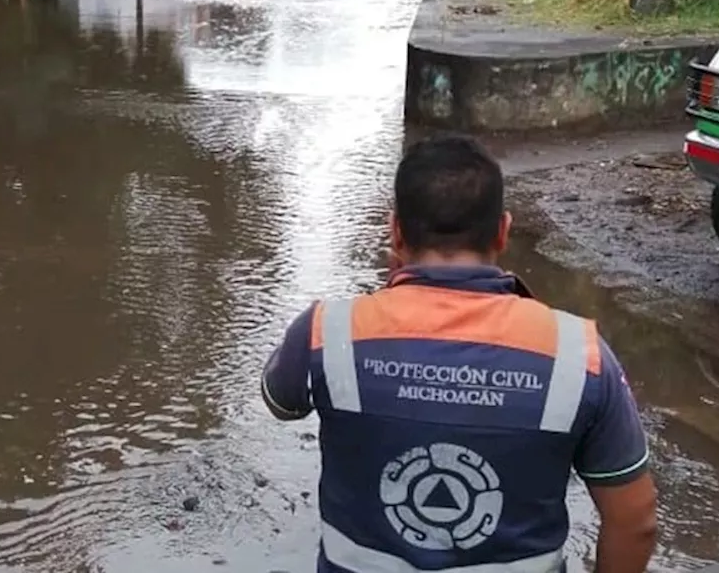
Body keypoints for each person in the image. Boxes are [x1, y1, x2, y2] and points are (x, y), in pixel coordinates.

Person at [261, 134, 657, 573]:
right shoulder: (579, 356)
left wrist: (384, 303)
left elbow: (281, 399)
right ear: (503, 231)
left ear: (395, 230)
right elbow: (635, 521)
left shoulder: (326, 332)